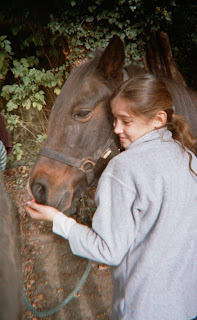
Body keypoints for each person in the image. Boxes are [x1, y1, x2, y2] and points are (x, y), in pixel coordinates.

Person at [26, 73, 197, 320]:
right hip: (187, 305)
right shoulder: (189, 159)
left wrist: (58, 220)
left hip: (144, 309)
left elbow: (108, 251)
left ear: (159, 119)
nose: (116, 129)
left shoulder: (123, 169)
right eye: (114, 119)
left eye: (126, 121)